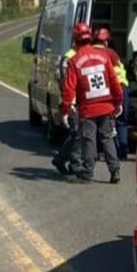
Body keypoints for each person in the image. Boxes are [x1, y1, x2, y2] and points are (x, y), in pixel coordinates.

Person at [61, 23, 123, 184]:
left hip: (88, 109)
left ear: (75, 39)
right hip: (107, 106)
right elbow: (114, 81)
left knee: (89, 140)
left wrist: (65, 109)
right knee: (107, 138)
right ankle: (115, 170)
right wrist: (118, 101)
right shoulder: (103, 56)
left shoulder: (74, 61)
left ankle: (88, 172)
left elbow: (69, 88)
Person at [94, 27, 130, 160]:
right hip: (121, 89)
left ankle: (99, 152)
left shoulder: (90, 53)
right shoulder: (112, 54)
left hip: (104, 91)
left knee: (101, 122)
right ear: (106, 42)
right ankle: (122, 152)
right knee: (121, 122)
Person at [52, 40, 81, 176]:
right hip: (71, 102)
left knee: (78, 133)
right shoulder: (69, 58)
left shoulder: (79, 55)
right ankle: (72, 164)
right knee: (76, 133)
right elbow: (67, 84)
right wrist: (68, 105)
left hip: (79, 101)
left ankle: (62, 159)